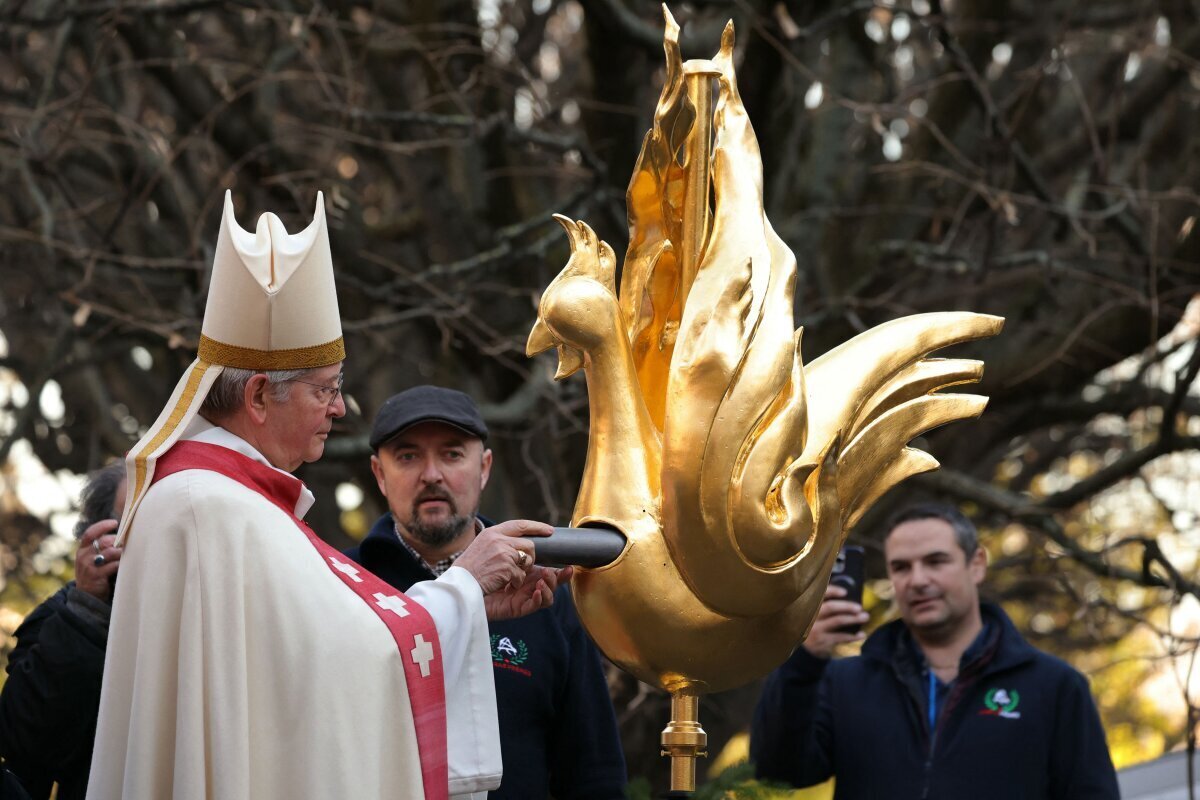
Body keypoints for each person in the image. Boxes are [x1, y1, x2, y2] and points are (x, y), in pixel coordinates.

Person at [87, 192, 565, 800]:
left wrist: (470, 610)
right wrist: (464, 585)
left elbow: (319, 669)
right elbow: (336, 686)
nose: (339, 408)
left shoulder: (229, 503)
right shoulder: (209, 510)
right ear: (259, 396)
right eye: (325, 389)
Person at [344, 385, 626, 799]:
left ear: (485, 468)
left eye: (452, 454)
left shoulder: (542, 595)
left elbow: (593, 773)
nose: (432, 474)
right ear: (379, 474)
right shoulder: (344, 584)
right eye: (408, 456)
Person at [750, 503, 1119, 799]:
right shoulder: (843, 682)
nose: (918, 580)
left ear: (976, 565)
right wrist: (805, 661)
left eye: (935, 561)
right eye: (901, 567)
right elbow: (778, 772)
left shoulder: (1054, 686)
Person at [0, 464, 125, 800]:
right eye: (130, 524)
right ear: (96, 537)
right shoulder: (63, 616)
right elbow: (25, 746)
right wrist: (87, 612)